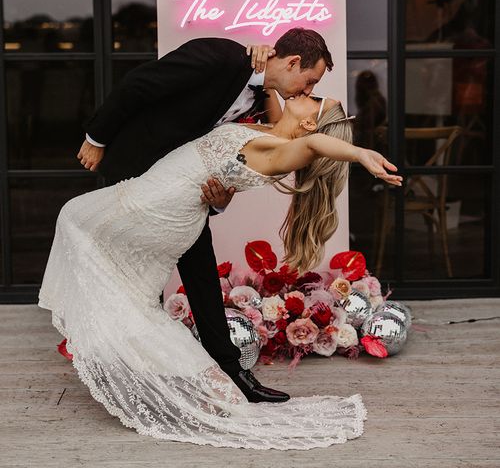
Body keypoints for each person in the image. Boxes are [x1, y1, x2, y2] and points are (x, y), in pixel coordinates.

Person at [38, 93, 401, 449]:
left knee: (76, 220)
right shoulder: (270, 131)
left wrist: (358, 153)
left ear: (309, 122)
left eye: (313, 98)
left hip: (158, 210)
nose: (305, 92)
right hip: (164, 203)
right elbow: (272, 87)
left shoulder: (278, 152)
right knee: (117, 278)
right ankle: (161, 363)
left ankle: (196, 378)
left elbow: (314, 145)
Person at [75, 28, 332, 404]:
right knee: (129, 274)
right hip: (134, 171)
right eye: (309, 81)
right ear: (293, 62)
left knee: (202, 276)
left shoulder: (263, 105)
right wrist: (96, 139)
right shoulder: (220, 56)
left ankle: (231, 372)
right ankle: (125, 371)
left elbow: (230, 159)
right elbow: (138, 84)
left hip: (184, 194)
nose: (306, 91)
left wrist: (221, 199)